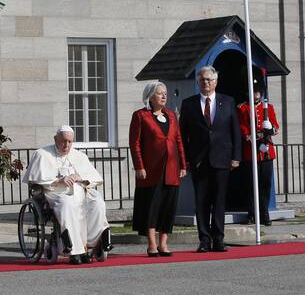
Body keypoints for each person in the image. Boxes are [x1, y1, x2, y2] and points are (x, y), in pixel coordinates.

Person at [22, 125, 112, 265]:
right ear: (55, 139)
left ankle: (91, 244)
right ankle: (73, 251)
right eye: (63, 141)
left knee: (97, 202)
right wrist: (59, 181)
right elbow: (37, 180)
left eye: (70, 141)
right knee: (67, 204)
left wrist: (80, 177)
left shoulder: (79, 156)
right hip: (55, 193)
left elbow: (93, 178)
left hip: (80, 191)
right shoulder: (42, 154)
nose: (66, 145)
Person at [179, 66, 241, 253]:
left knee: (220, 201)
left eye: (209, 80)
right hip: (199, 161)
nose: (205, 83)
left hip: (222, 159)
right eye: (202, 80)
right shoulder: (189, 104)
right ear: (198, 82)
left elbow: (235, 131)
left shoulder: (228, 102)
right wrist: (186, 160)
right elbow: (182, 135)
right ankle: (204, 240)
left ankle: (219, 239)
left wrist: (236, 157)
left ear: (216, 82)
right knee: (202, 202)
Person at [129, 81, 187, 257]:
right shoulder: (140, 116)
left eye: (165, 93)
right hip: (150, 169)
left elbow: (178, 141)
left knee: (168, 206)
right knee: (151, 206)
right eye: (160, 93)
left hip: (171, 168)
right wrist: (139, 166)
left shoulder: (171, 115)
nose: (164, 96)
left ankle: (163, 243)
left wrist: (183, 165)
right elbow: (135, 143)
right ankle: (152, 244)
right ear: (150, 97)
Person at [237, 85, 279, 226]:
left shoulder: (269, 108)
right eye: (253, 91)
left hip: (266, 152)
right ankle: (252, 213)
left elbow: (276, 128)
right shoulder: (242, 108)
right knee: (250, 185)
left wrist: (270, 128)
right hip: (251, 151)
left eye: (257, 91)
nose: (255, 93)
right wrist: (250, 135)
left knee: (265, 184)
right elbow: (242, 127)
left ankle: (264, 213)